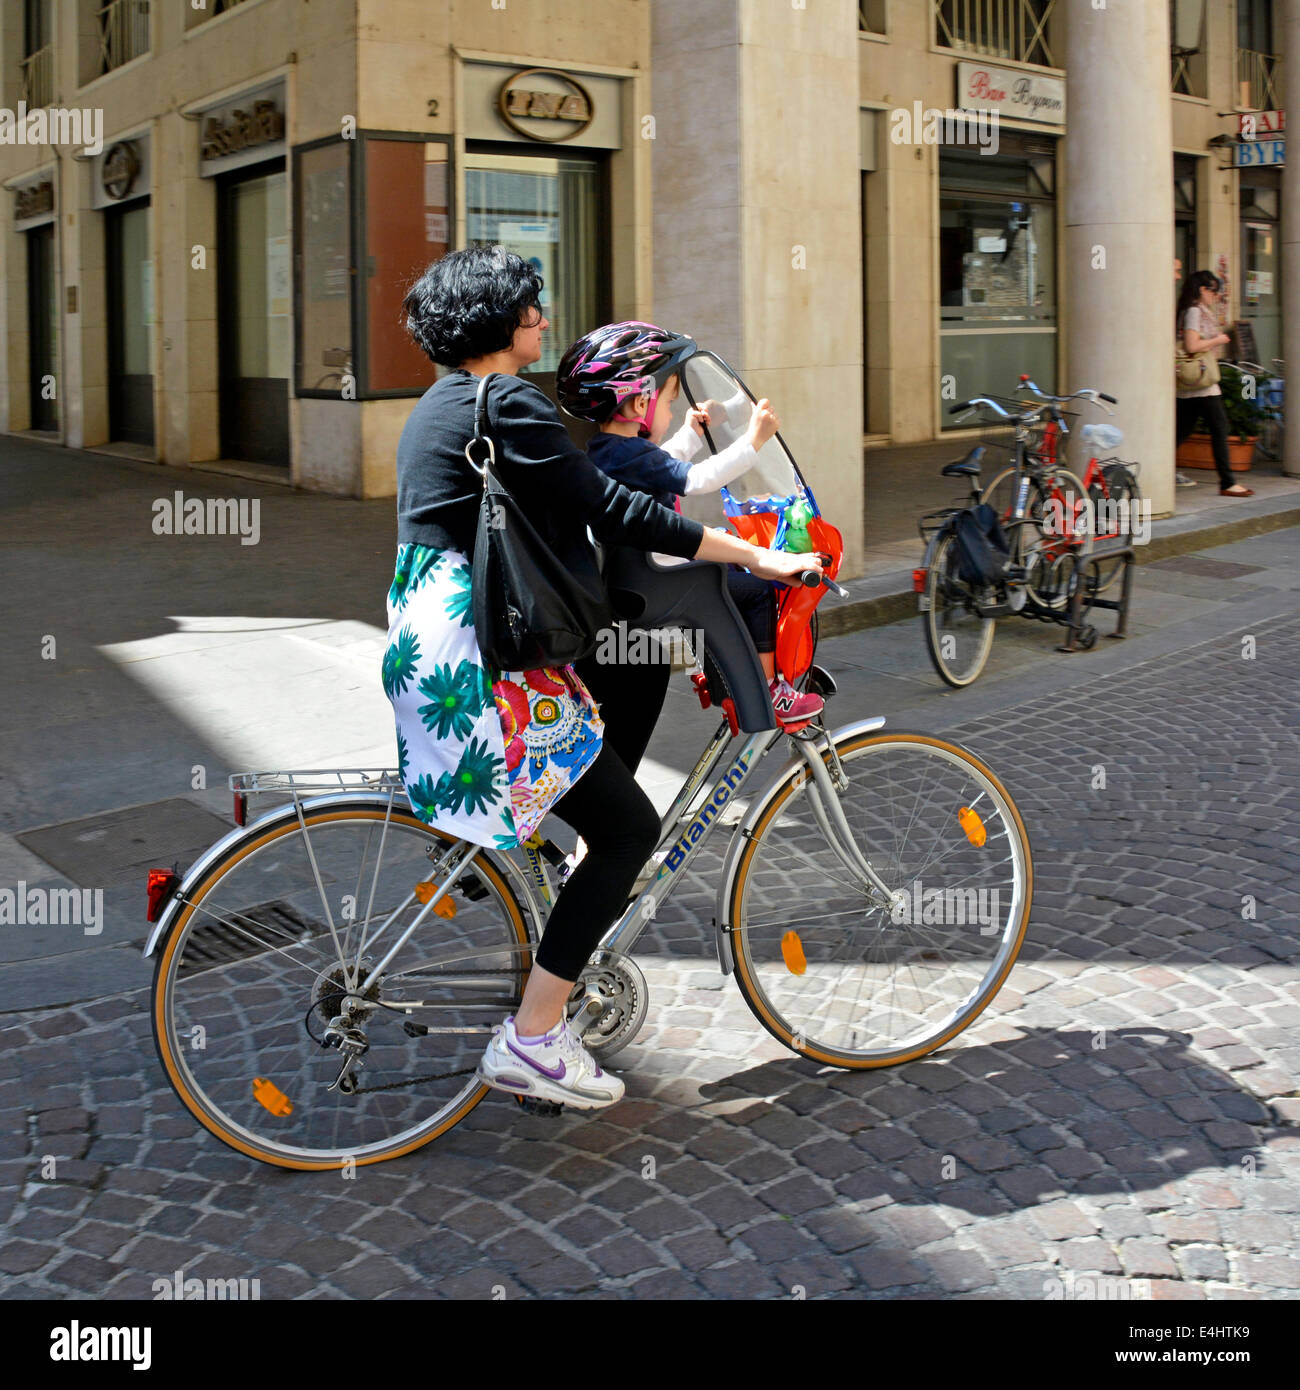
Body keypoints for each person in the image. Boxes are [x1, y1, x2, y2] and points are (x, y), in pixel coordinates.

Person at [387, 247, 822, 1113]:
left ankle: (537, 918)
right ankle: (535, 1038)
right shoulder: (505, 402)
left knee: (590, 797)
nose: (542, 321)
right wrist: (759, 556)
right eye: (531, 308)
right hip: (485, 661)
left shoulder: (437, 407)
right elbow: (617, 506)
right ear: (496, 320)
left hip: (431, 645)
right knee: (628, 830)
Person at [557, 321, 825, 730]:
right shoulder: (626, 453)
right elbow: (695, 479)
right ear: (636, 406)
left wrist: (691, 432)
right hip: (657, 576)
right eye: (667, 403)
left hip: (641, 574)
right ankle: (770, 691)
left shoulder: (612, 450)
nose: (671, 411)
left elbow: (663, 466)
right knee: (753, 593)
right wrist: (753, 441)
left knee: (732, 571)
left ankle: (726, 679)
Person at [1175, 270, 1254, 498]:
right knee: (1219, 428)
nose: (1216, 296)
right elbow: (1191, 345)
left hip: (1197, 382)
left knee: (1182, 430)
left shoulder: (1196, 310)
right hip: (1202, 381)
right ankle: (1227, 482)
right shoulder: (1193, 311)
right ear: (1203, 290)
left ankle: (1154, 465)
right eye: (1213, 291)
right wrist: (1217, 340)